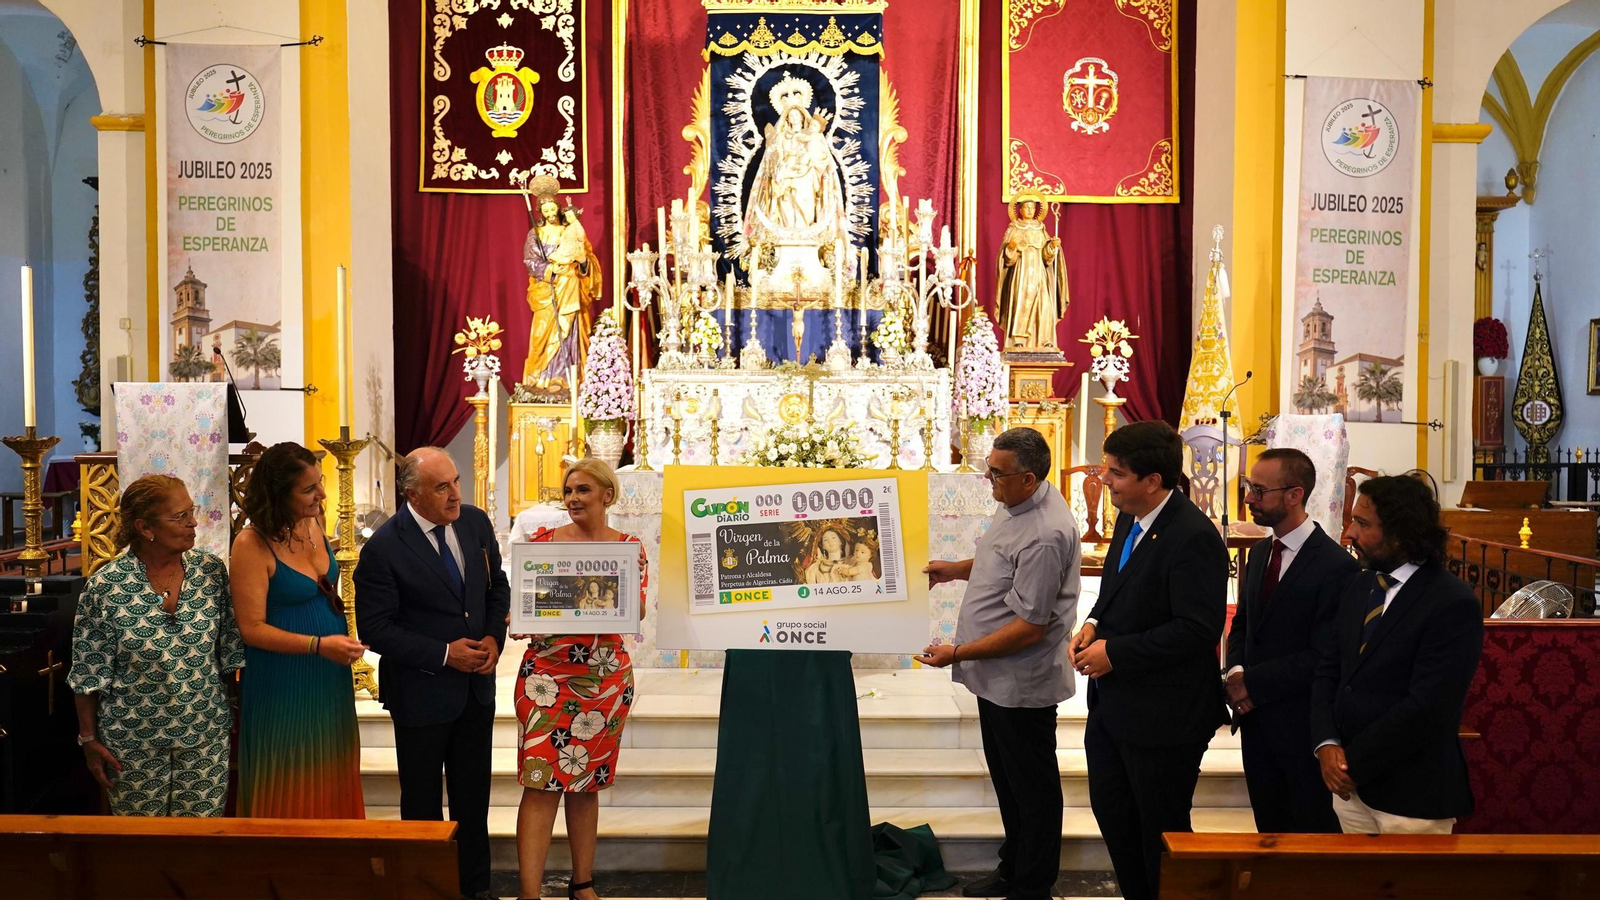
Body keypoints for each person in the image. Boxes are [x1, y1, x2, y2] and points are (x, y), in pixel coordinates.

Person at [918, 427, 1080, 900]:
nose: (989, 481)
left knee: (1031, 790)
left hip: (1021, 680)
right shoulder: (1018, 505)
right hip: (998, 679)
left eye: (997, 474)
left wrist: (958, 653)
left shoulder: (1047, 532)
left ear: (1028, 479)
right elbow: (998, 560)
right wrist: (955, 569)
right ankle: (1014, 868)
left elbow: (1031, 627)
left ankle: (1033, 885)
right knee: (1010, 784)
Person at [1070, 420, 1228, 900]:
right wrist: (1094, 623)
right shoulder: (1129, 517)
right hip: (1115, 709)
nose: (1105, 481)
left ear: (1152, 481)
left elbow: (1198, 630)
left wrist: (1114, 653)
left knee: (1158, 830)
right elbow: (1117, 591)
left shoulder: (1193, 536)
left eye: (1115, 473)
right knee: (1115, 817)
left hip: (1166, 717)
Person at [355, 447, 510, 900]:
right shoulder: (385, 546)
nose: (455, 494)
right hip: (421, 694)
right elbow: (377, 628)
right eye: (442, 487)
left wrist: (492, 639)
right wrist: (444, 654)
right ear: (412, 494)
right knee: (422, 804)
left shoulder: (475, 523)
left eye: (456, 481)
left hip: (474, 691)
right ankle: (426, 889)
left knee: (472, 801)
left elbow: (495, 586)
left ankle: (475, 889)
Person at [1311, 475, 1483, 834]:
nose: (1350, 534)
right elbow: (1330, 671)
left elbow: (1429, 707)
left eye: (1362, 523)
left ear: (1400, 534)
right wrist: (1326, 744)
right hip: (1349, 794)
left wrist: (1351, 765)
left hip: (1412, 795)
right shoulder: (1359, 585)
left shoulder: (1451, 601)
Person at [67, 474, 245, 816]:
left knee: (199, 846)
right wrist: (89, 740)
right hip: (132, 745)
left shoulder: (211, 572)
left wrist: (234, 713)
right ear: (145, 527)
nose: (193, 523)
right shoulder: (107, 586)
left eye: (191, 512)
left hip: (203, 737)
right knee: (140, 848)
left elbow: (230, 653)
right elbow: (88, 673)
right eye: (180, 517)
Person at [510, 458, 647, 900]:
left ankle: (582, 883)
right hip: (546, 676)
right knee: (540, 783)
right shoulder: (541, 544)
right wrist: (521, 615)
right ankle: (530, 892)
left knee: (586, 785)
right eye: (568, 491)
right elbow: (524, 606)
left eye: (584, 490)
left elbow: (636, 610)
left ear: (607, 495)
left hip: (604, 676)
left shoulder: (629, 547)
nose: (573, 498)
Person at [1224, 448, 1357, 833]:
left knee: (1306, 838)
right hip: (1256, 722)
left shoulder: (1336, 566)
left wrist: (1252, 681)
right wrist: (1235, 670)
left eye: (1259, 490)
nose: (1249, 497)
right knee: (1268, 833)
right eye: (1249, 486)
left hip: (1301, 728)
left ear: (1294, 495)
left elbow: (1324, 654)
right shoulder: (1262, 550)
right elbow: (1243, 624)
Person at [231, 442, 367, 818]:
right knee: (287, 777)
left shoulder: (314, 523)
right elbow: (251, 628)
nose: (322, 494)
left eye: (319, 483)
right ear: (279, 494)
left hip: (328, 678)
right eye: (309, 489)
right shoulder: (251, 543)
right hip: (283, 683)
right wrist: (318, 644)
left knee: (331, 770)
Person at [522, 173, 599, 388]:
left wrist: (582, 261)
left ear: (558, 207)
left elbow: (588, 259)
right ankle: (541, 380)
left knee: (569, 331)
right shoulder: (535, 234)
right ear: (541, 212)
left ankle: (567, 380)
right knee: (543, 334)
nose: (549, 213)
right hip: (547, 291)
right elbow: (530, 261)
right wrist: (550, 269)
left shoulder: (570, 230)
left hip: (571, 290)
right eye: (545, 210)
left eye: (552, 208)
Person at [995, 195, 1068, 350]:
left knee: (1045, 304)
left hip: (1039, 274)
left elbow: (1047, 258)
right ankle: (1018, 338)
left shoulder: (1041, 228)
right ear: (1020, 209)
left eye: (1032, 207)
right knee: (1022, 302)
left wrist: (1053, 246)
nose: (1029, 210)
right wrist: (1012, 248)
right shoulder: (1014, 228)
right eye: (1026, 207)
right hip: (1022, 273)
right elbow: (1007, 260)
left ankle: (1045, 339)